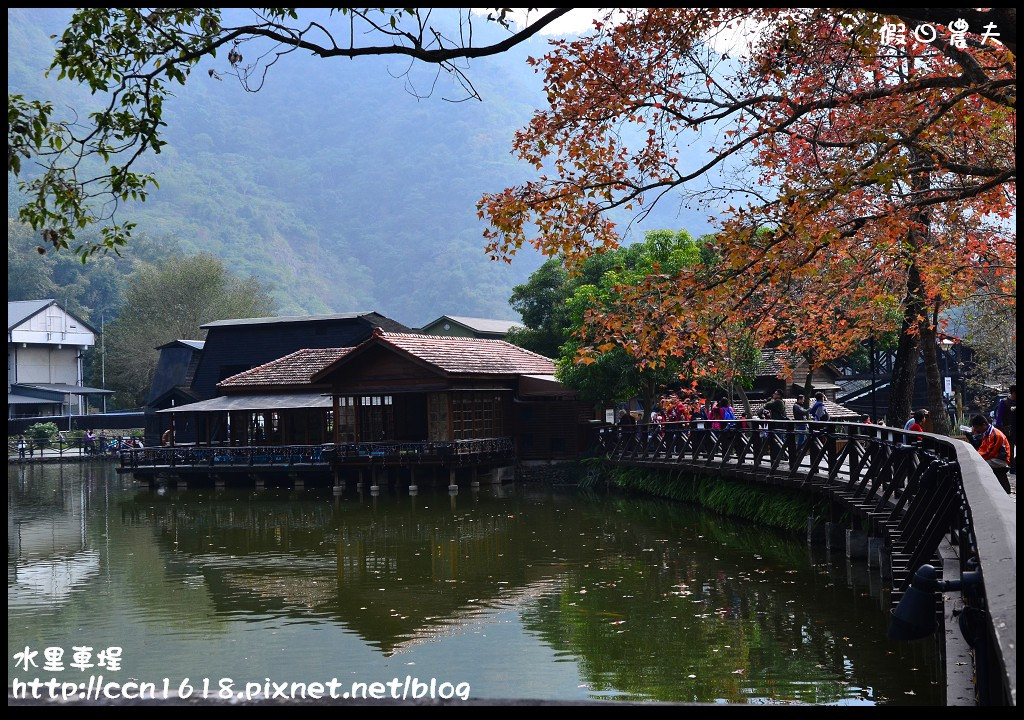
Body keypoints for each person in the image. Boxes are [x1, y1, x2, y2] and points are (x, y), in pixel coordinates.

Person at [969, 413, 1012, 494]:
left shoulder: (995, 435)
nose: (976, 430)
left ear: (983, 425)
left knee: (978, 465)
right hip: (994, 458)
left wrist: (977, 458)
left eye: (977, 427)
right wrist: (977, 455)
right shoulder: (988, 433)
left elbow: (990, 453)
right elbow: (983, 448)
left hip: (1000, 460)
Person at [994, 385, 1016, 473]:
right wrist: (999, 430)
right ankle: (1012, 467)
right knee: (1010, 449)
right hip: (1008, 429)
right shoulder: (1004, 402)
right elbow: (999, 418)